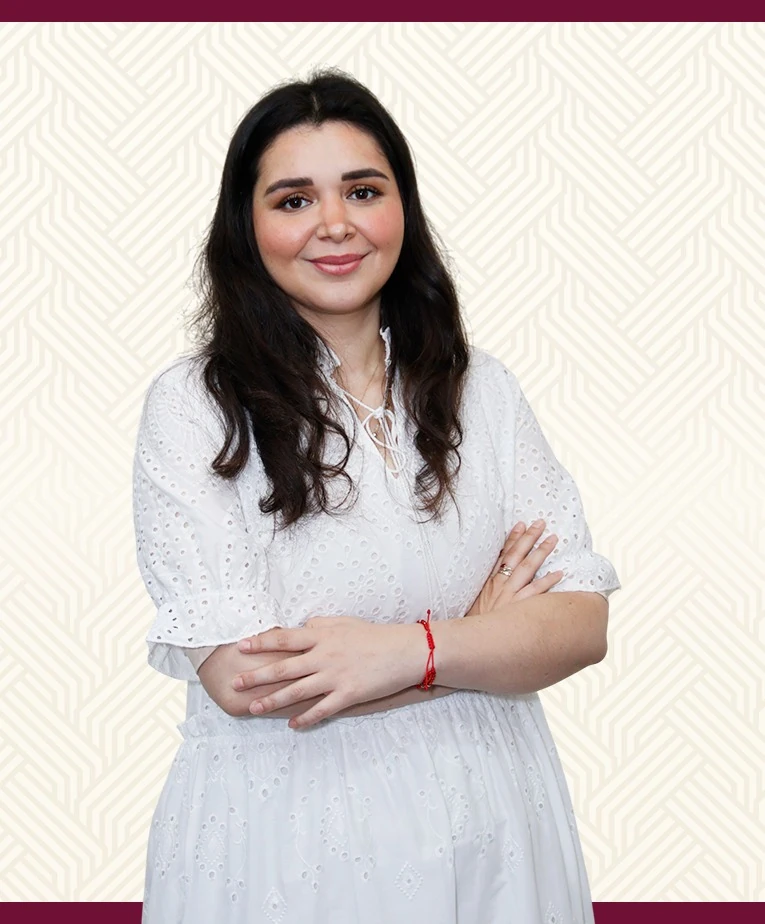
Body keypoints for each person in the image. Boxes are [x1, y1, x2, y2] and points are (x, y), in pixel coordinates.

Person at [132, 67, 621, 923]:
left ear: (404, 208)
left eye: (362, 191)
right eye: (293, 200)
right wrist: (477, 644)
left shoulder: (482, 392)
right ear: (246, 227)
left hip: (495, 819)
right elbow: (248, 683)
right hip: (287, 842)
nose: (335, 224)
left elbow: (579, 624)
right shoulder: (196, 407)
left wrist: (401, 653)